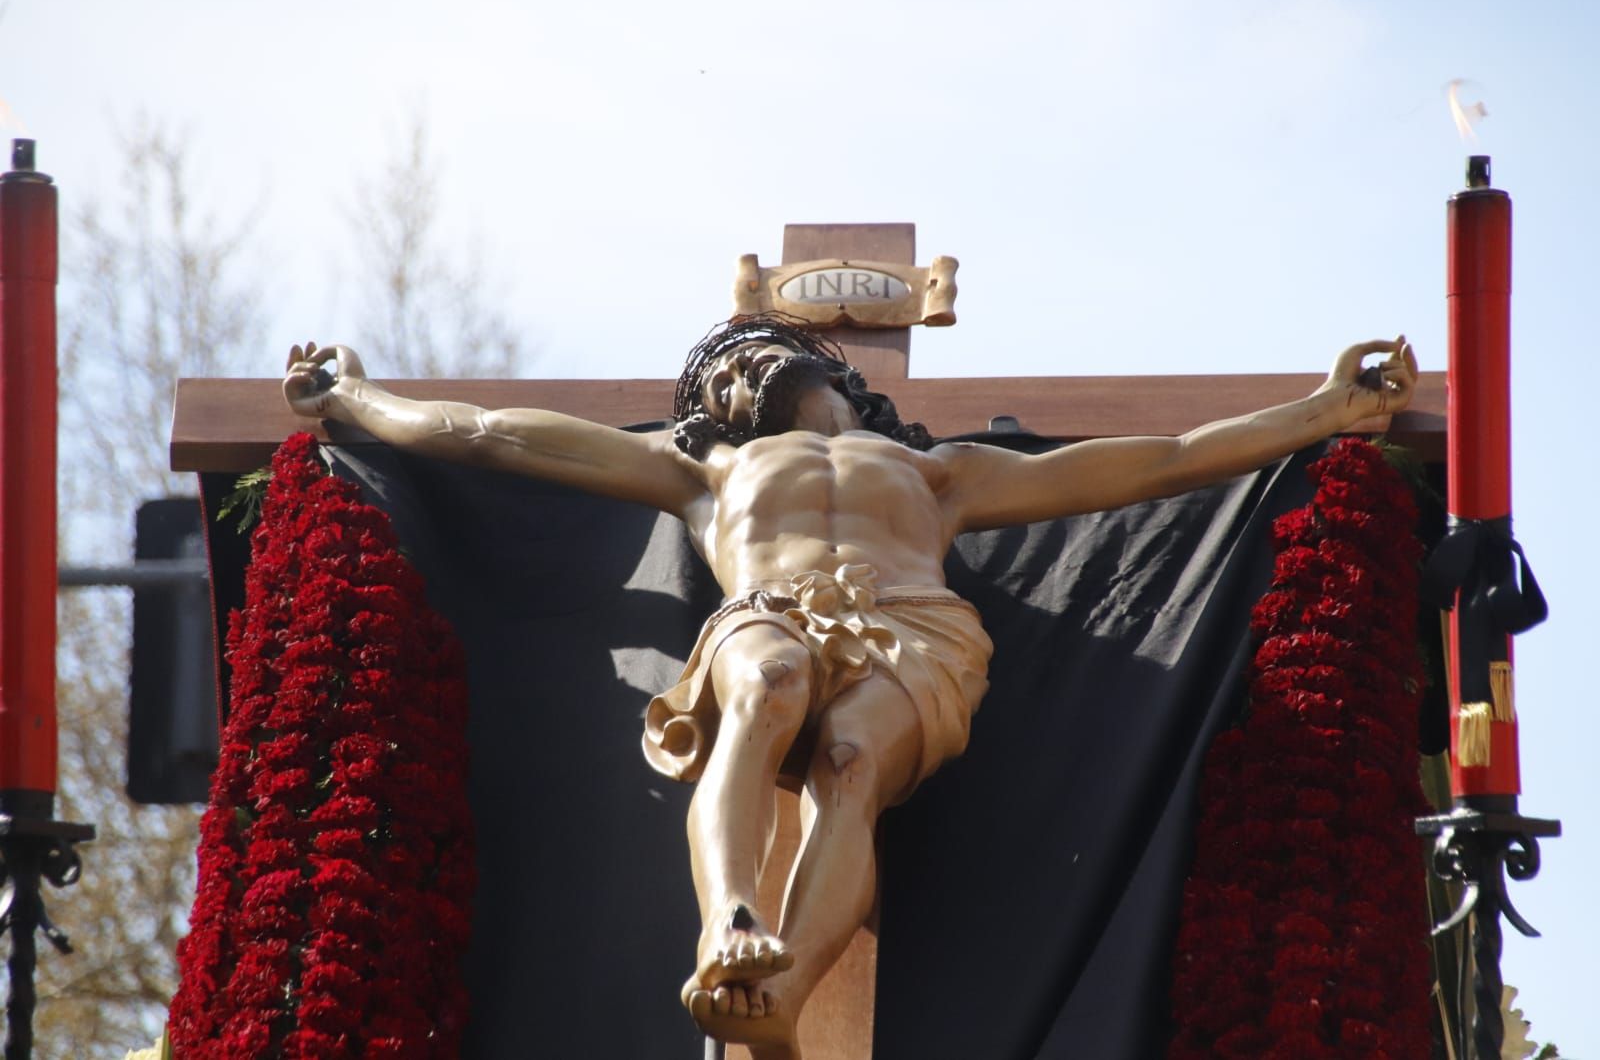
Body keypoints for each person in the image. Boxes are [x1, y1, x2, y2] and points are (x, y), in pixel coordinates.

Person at [283, 317, 1416, 1058]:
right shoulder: (703, 472)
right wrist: (360, 399)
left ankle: (777, 993)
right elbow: (489, 435)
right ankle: (730, 923)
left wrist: (1321, 412)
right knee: (767, 685)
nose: (735, 367)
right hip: (768, 615)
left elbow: (1158, 462)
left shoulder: (940, 475)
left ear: (833, 369)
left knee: (851, 760)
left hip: (912, 629)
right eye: (716, 371)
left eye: (753, 350)